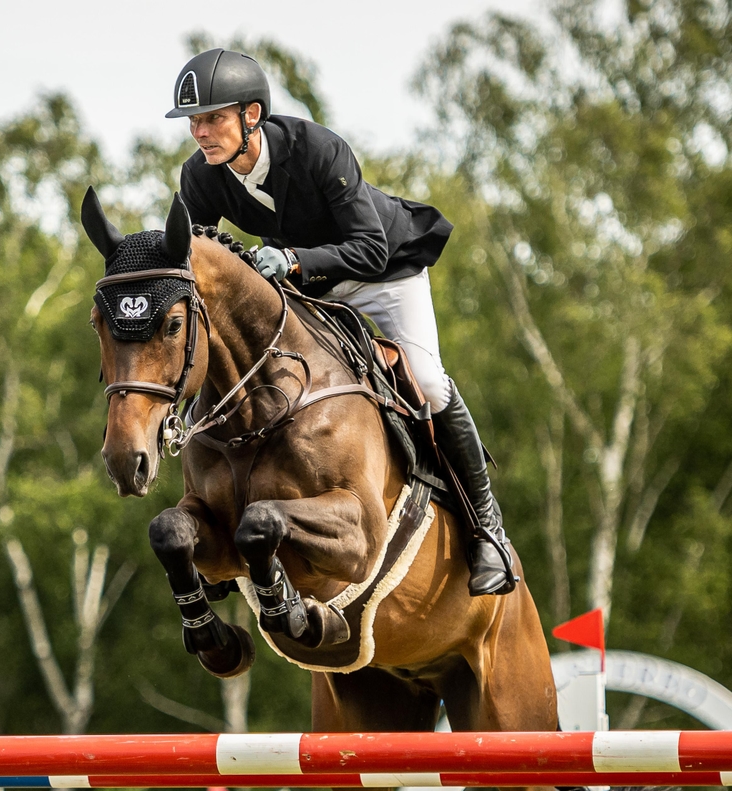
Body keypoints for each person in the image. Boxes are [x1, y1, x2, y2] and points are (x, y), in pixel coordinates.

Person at [167, 48, 513, 596]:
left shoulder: (318, 150)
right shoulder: (201, 177)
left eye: (212, 118)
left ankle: (487, 530)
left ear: (251, 115)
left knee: (424, 378)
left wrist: (295, 261)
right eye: (193, 122)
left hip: (382, 273)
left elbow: (369, 247)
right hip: (305, 289)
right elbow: (200, 268)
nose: (200, 132)